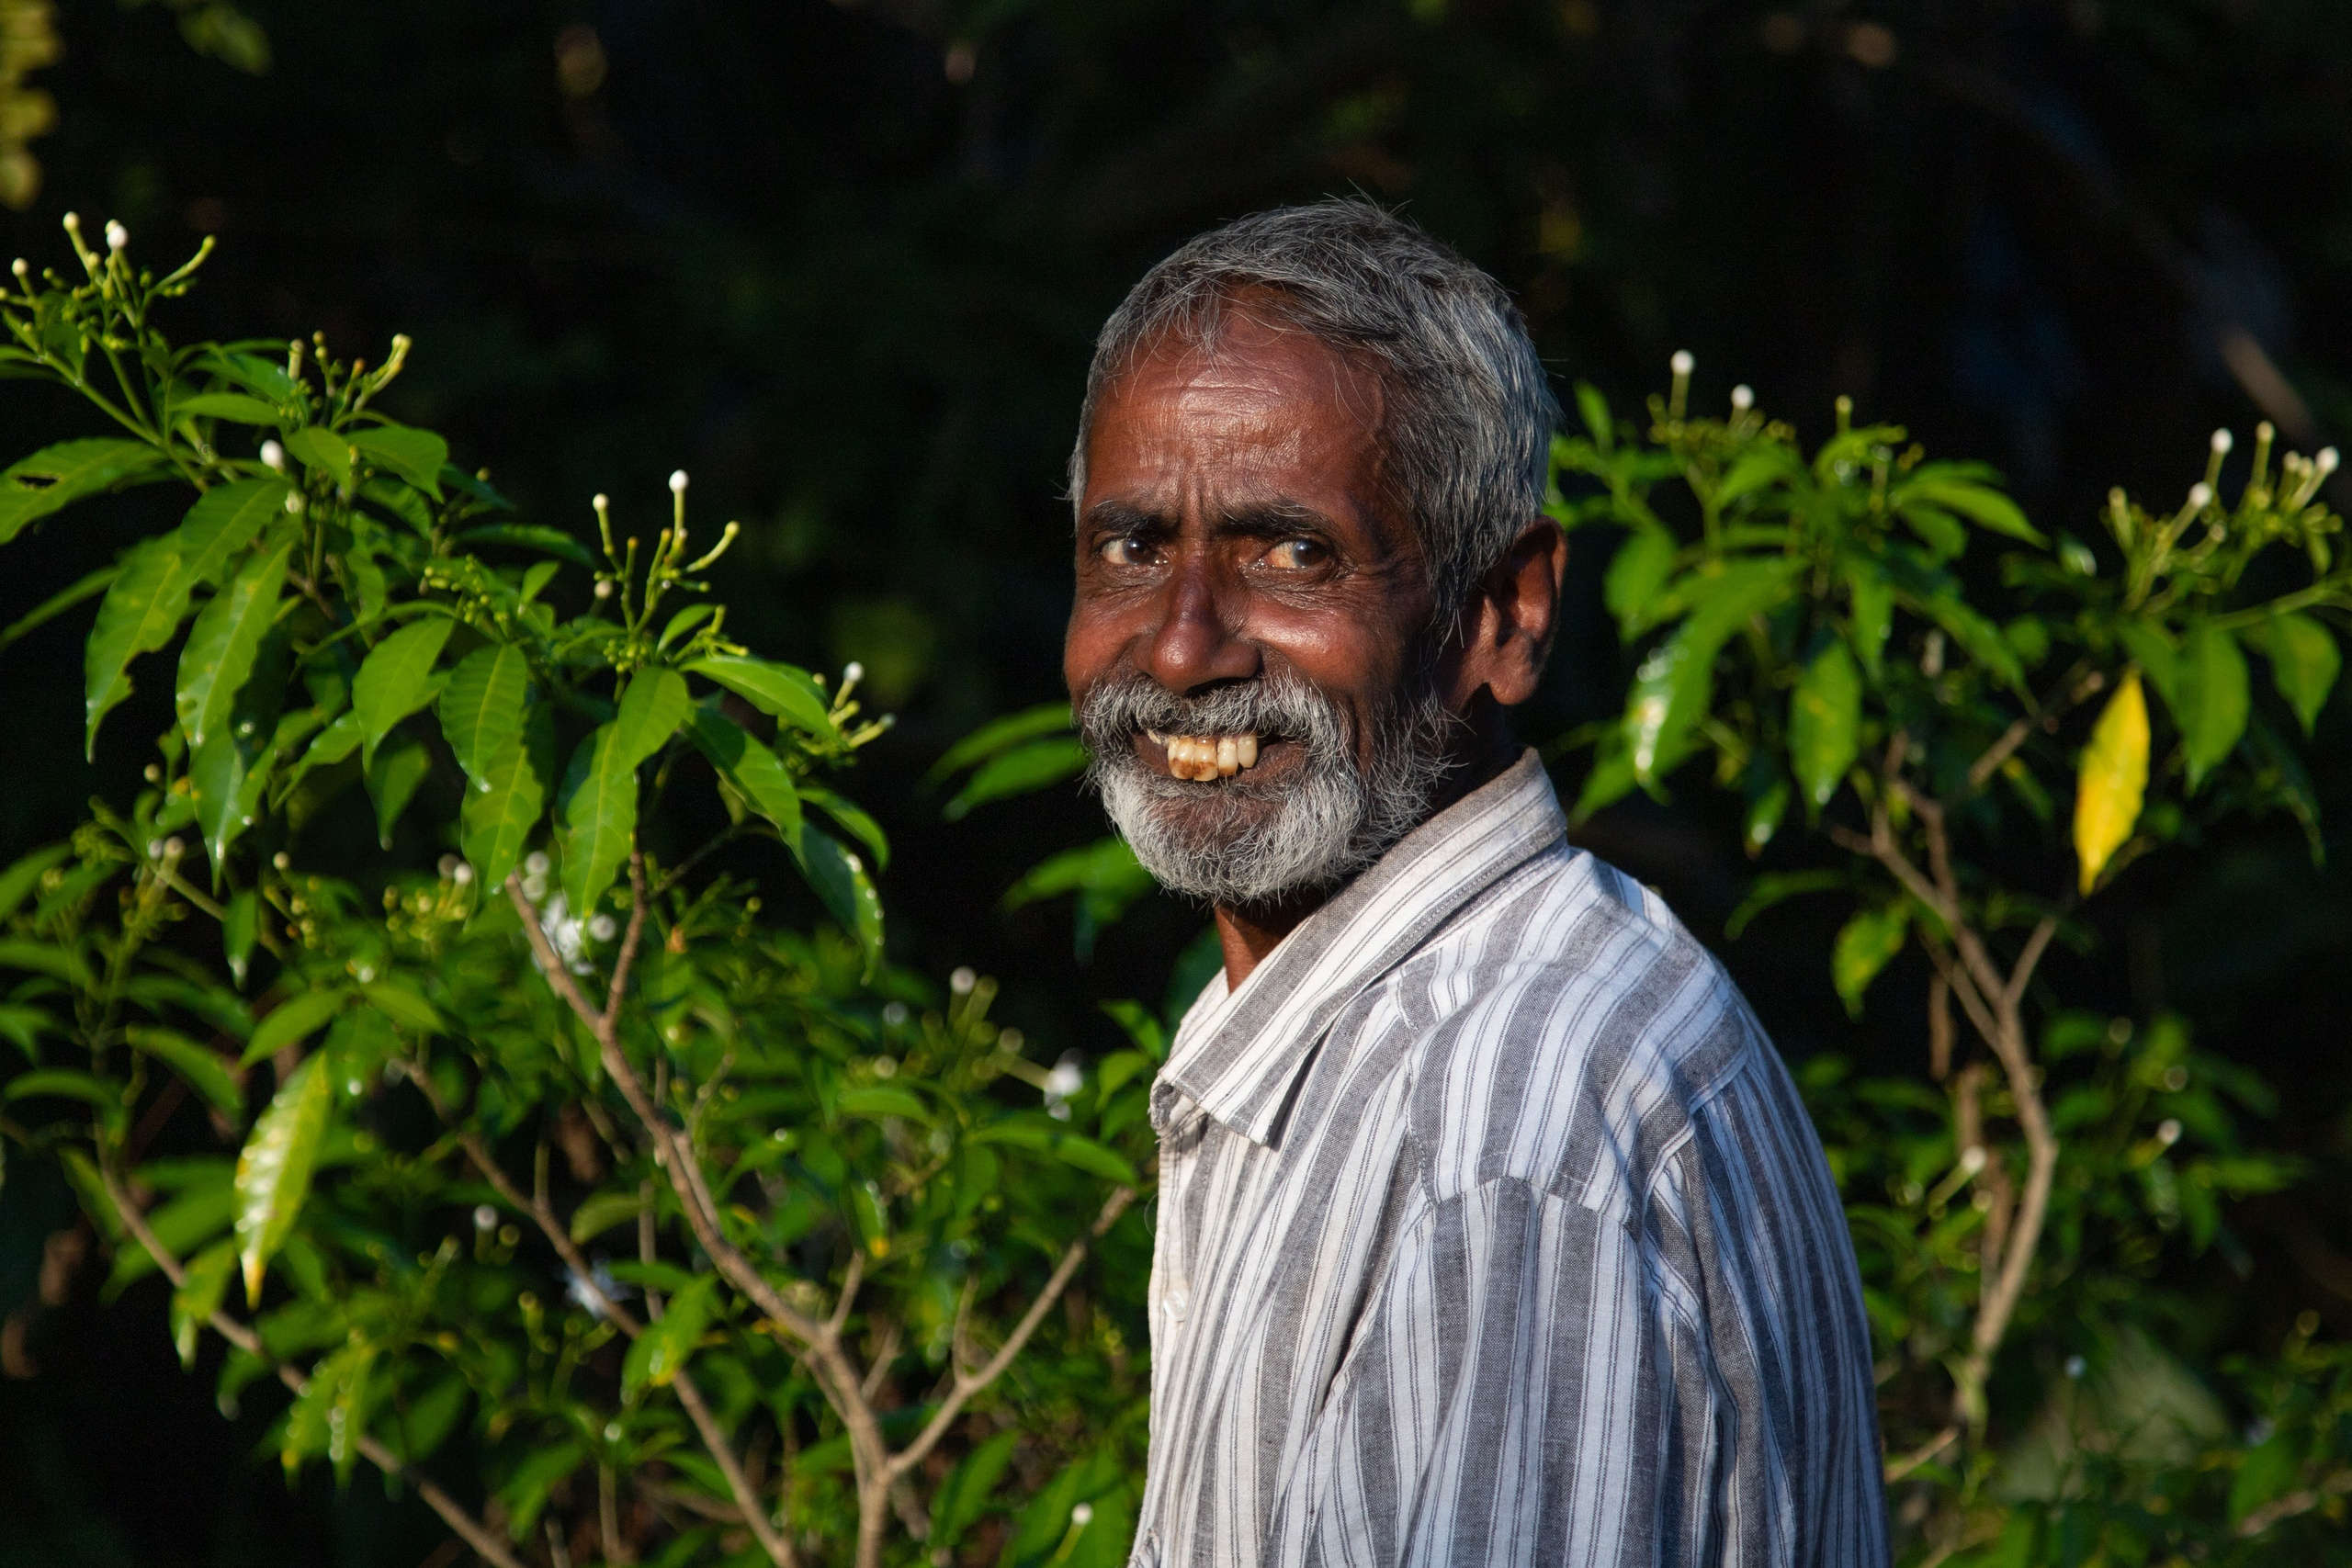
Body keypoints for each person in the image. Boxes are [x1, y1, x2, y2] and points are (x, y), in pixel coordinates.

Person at [1063, 200, 1886, 1567]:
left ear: (1504, 611)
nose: (1184, 644)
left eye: (1293, 553)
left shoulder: (1505, 1133)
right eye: (1131, 549)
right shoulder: (1413, 1033)